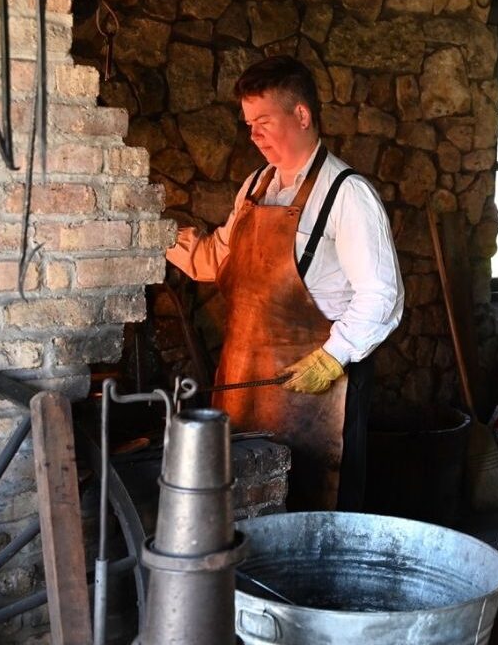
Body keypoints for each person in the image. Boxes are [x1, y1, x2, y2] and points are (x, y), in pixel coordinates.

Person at [166, 55, 404, 511]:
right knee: (245, 503)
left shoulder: (347, 194)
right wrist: (156, 237)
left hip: (317, 386)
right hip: (247, 380)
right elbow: (219, 257)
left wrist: (334, 357)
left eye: (263, 121)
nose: (253, 134)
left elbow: (382, 295)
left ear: (301, 115)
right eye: (248, 123)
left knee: (318, 501)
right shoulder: (256, 185)